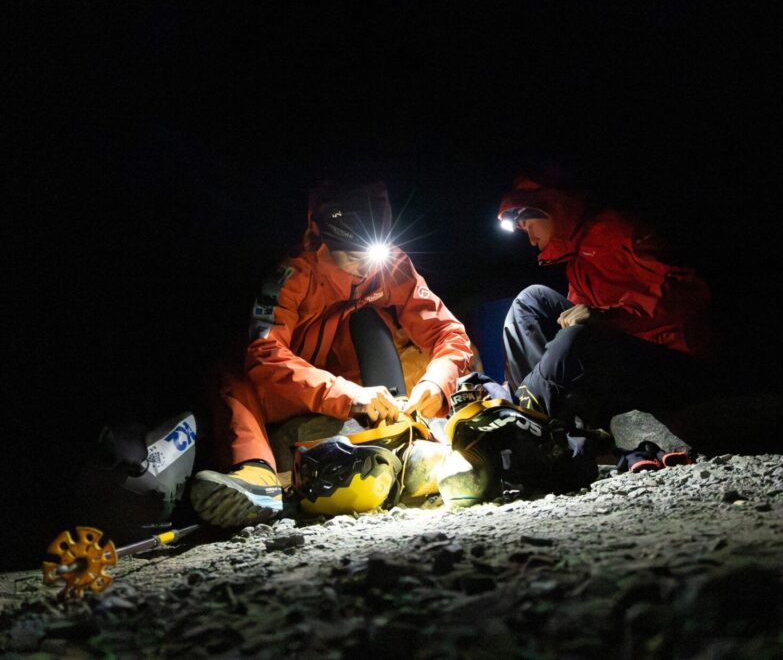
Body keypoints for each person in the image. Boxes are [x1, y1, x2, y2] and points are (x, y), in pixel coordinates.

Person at [191, 180, 474, 526]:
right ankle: (256, 474)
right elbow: (263, 352)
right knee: (231, 369)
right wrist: (347, 395)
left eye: (370, 254)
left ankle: (404, 440)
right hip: (285, 391)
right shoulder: (293, 273)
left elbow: (449, 332)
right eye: (353, 255)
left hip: (356, 389)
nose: (366, 268)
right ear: (322, 238)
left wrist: (436, 383)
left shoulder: (389, 264)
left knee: (368, 318)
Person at [497, 174, 735, 458]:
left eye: (528, 226)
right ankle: (539, 416)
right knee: (531, 299)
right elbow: (570, 335)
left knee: (579, 335)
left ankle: (526, 425)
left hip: (673, 361)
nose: (531, 238)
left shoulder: (617, 229)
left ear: (548, 208)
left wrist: (605, 318)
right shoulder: (577, 262)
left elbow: (685, 294)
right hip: (622, 362)